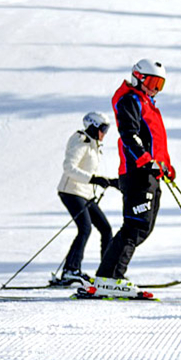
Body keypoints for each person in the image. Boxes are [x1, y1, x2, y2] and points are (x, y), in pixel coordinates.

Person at [83, 59, 173, 299]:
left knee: (144, 226)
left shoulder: (147, 103)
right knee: (135, 225)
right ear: (138, 77)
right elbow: (129, 134)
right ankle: (112, 277)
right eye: (152, 82)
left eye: (160, 84)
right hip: (137, 172)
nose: (155, 88)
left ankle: (107, 275)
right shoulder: (130, 100)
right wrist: (144, 159)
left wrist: (166, 165)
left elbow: (155, 140)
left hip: (151, 173)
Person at [54, 112, 118, 286]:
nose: (105, 133)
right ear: (93, 126)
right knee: (85, 228)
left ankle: (108, 272)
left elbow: (90, 171)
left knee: (105, 228)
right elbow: (69, 167)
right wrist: (93, 179)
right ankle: (70, 270)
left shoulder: (93, 144)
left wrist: (110, 182)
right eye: (103, 128)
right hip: (71, 191)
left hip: (85, 194)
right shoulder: (80, 140)